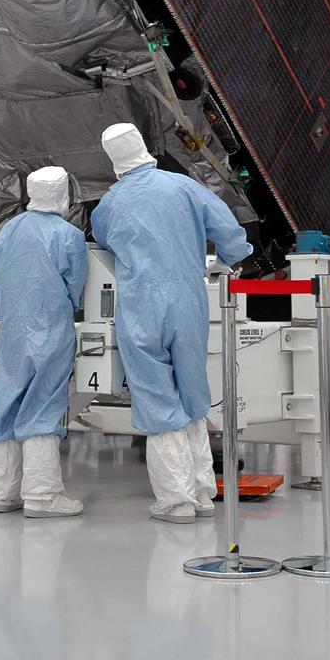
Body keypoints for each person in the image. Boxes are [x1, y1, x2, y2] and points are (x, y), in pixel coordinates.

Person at [91, 123, 253, 523]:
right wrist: (225, 262)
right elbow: (230, 234)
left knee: (156, 399)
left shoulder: (109, 206)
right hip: (186, 300)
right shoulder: (183, 187)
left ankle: (174, 501)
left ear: (113, 161)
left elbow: (103, 245)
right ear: (144, 148)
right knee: (193, 394)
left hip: (140, 306)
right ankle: (201, 494)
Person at [0, 165, 88, 517]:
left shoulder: (7, 232)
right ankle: (42, 497)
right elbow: (75, 289)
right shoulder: (68, 236)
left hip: (13, 333)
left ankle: (2, 494)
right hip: (50, 330)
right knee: (42, 407)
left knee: (7, 404)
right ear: (62, 194)